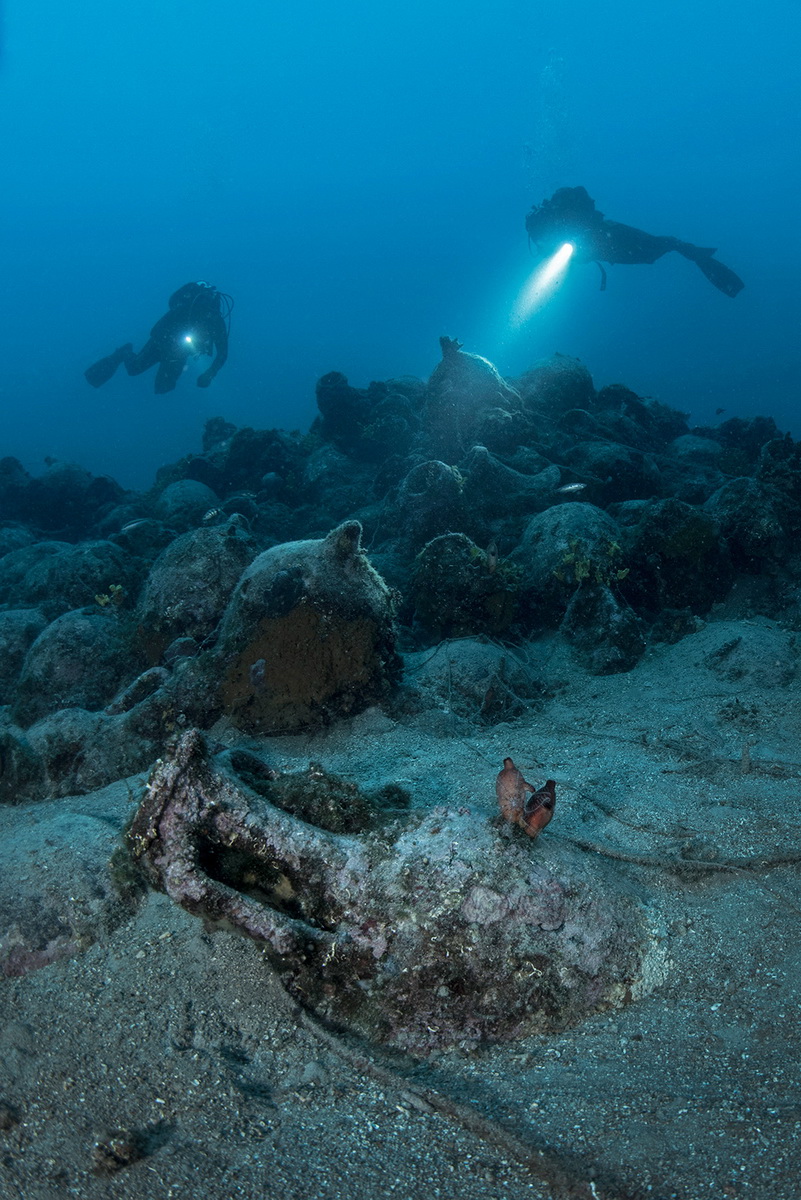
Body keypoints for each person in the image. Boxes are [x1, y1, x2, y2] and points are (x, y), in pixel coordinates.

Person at [525, 186, 744, 297]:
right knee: (650, 252)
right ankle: (688, 251)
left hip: (605, 238)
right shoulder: (546, 226)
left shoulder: (566, 217)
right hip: (604, 246)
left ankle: (694, 254)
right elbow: (548, 252)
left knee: (653, 249)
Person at [85, 281, 232, 393]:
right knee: (133, 369)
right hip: (161, 343)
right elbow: (163, 326)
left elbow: (223, 352)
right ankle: (124, 352)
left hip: (179, 353)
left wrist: (210, 373)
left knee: (163, 389)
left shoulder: (216, 321)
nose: (205, 314)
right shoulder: (186, 311)